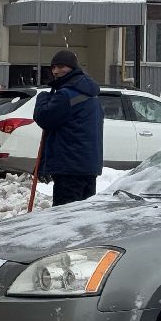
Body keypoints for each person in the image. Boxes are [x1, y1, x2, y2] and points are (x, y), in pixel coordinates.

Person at [33, 49, 104, 207]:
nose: (56, 71)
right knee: (82, 218)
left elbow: (44, 117)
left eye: (61, 66)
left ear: (72, 68)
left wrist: (42, 98)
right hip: (88, 167)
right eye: (53, 67)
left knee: (64, 220)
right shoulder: (92, 96)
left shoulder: (66, 95)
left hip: (69, 167)